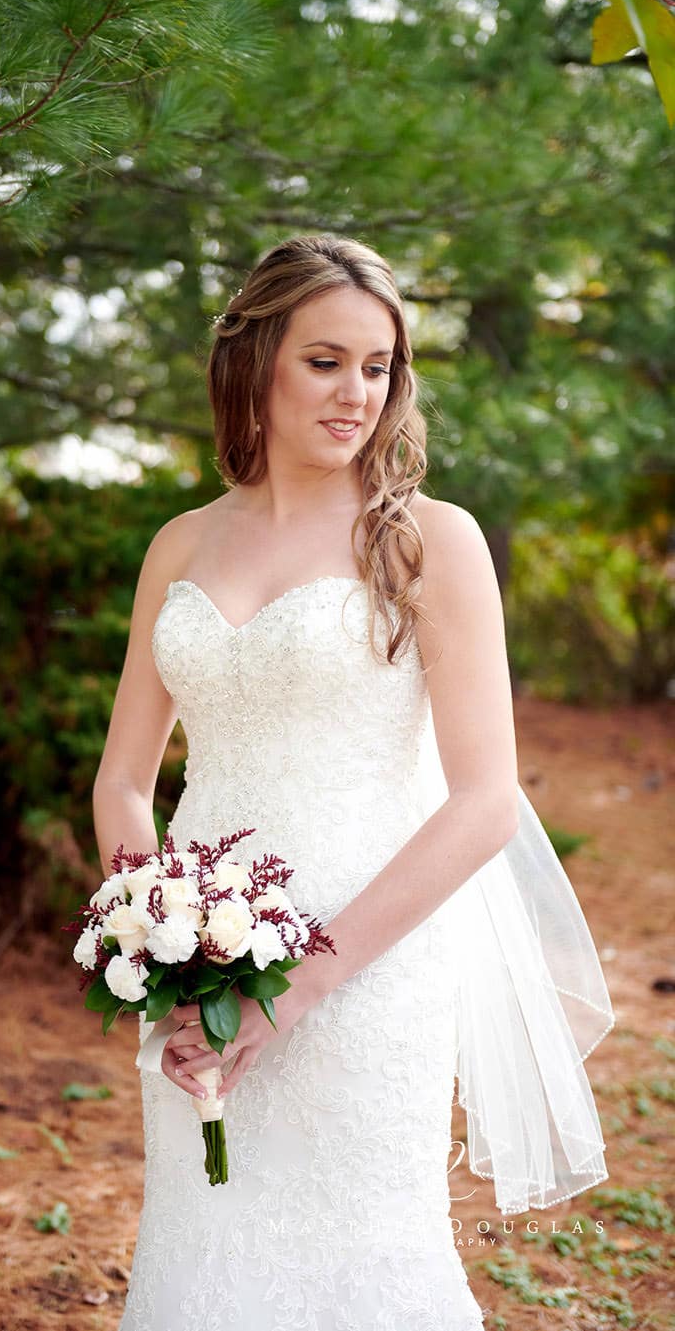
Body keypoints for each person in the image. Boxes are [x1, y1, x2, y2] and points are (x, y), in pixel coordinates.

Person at [91, 236, 612, 1327]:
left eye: (377, 367)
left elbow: (485, 800)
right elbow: (125, 782)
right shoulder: (178, 547)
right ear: (255, 362)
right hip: (203, 969)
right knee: (204, 1245)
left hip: (368, 963)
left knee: (364, 1259)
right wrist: (163, 952)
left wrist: (299, 989)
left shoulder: (428, 541)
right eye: (325, 361)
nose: (356, 394)